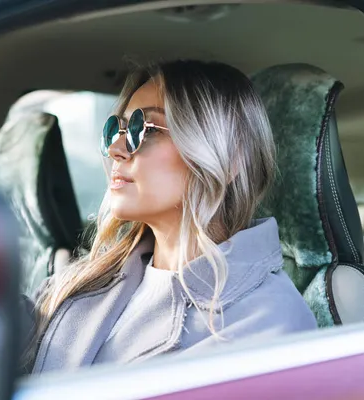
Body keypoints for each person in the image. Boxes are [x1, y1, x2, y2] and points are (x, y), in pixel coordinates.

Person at [21, 60, 317, 374]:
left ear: (230, 157)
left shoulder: (269, 323)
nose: (116, 149)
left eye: (142, 129)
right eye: (115, 130)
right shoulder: (87, 277)